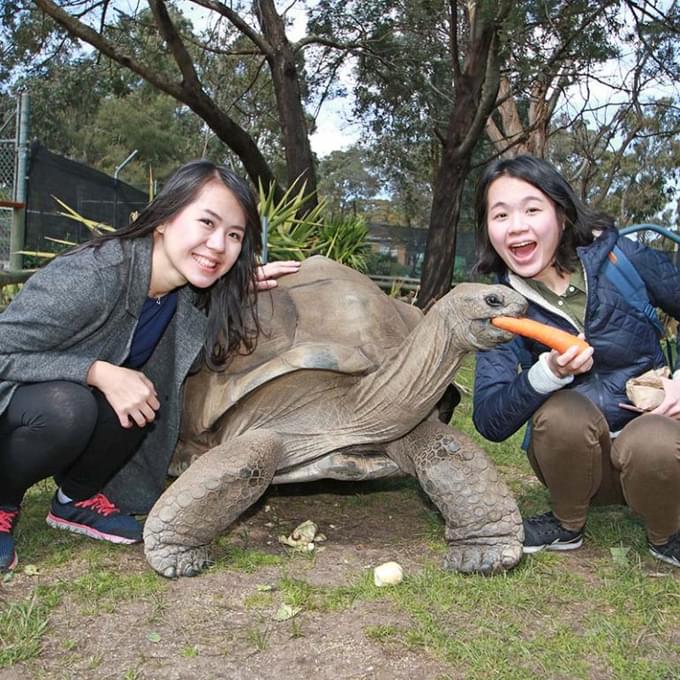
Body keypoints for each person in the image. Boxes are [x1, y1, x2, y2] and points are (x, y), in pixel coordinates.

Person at [0, 160, 300, 572]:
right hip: (21, 402)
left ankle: (75, 500)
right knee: (71, 406)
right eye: (207, 223)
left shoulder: (182, 292)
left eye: (234, 235)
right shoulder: (97, 274)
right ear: (163, 220)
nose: (218, 245)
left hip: (63, 402)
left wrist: (240, 282)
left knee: (140, 395)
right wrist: (96, 371)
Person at [472, 154, 680, 568]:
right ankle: (566, 524)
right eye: (500, 215)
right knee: (561, 410)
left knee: (653, 441)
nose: (516, 226)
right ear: (488, 230)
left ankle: (667, 534)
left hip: (660, 459)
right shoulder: (501, 309)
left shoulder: (621, 259)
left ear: (562, 215)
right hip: (578, 469)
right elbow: (490, 420)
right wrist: (547, 373)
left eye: (532, 209)